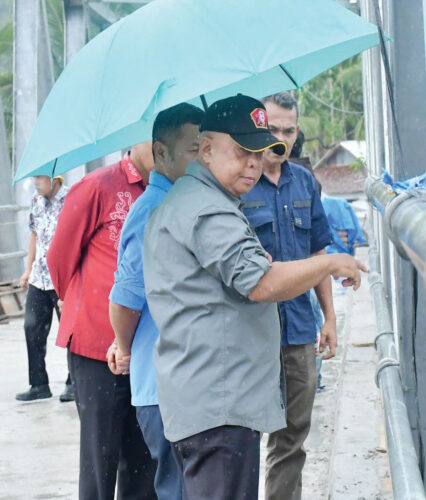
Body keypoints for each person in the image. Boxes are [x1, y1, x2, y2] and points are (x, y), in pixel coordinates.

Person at [143, 94, 366, 500]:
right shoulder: (207, 209)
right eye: (242, 151)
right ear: (206, 149)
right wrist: (329, 263)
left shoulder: (200, 201)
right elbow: (261, 284)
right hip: (219, 404)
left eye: (258, 154)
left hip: (210, 397)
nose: (252, 163)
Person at [47, 143, 157, 499]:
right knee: (100, 459)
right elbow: (60, 259)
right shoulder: (99, 186)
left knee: (144, 461)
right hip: (97, 349)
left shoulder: (172, 190)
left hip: (146, 349)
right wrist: (88, 309)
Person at [240, 91, 336, 500]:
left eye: (289, 130)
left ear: (298, 132)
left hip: (298, 330)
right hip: (249, 334)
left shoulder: (304, 183)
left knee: (291, 438)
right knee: (240, 439)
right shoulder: (238, 185)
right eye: (272, 129)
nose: (280, 138)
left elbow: (318, 253)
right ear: (259, 129)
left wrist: (329, 318)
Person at [107, 103, 203, 500]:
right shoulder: (153, 211)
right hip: (164, 388)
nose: (203, 160)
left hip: (187, 382)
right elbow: (126, 299)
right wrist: (123, 345)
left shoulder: (189, 204)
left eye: (208, 149)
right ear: (161, 153)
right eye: (194, 149)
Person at [15, 175, 74, 402]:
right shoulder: (36, 200)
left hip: (63, 278)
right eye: (35, 178)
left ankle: (74, 383)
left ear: (54, 178)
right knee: (32, 328)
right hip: (39, 278)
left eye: (40, 178)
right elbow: (34, 234)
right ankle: (39, 385)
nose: (36, 183)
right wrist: (27, 269)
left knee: (70, 333)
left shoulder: (71, 199)